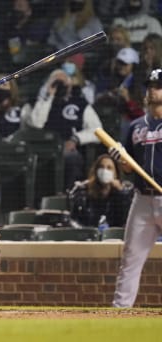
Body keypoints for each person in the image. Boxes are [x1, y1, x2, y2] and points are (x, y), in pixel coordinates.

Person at [110, 68, 162, 308]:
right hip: (142, 199)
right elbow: (129, 168)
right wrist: (121, 160)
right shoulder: (136, 126)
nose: (153, 90)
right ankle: (120, 312)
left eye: (158, 86)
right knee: (130, 259)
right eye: (151, 86)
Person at [23, 68, 103, 190]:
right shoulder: (38, 103)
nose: (60, 86)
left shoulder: (80, 104)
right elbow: (37, 124)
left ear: (70, 85)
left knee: (71, 159)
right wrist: (49, 96)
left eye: (63, 83)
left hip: (67, 149)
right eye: (56, 83)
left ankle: (69, 195)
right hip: (42, 150)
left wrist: (76, 139)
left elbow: (98, 131)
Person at [68, 153, 134, 228]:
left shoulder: (123, 191)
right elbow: (74, 219)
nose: (105, 171)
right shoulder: (83, 190)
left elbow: (126, 218)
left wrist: (121, 192)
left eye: (109, 168)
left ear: (115, 173)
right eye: (101, 167)